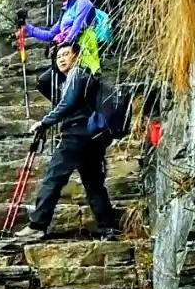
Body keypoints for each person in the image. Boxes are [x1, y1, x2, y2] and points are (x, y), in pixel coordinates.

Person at [16, 40, 119, 242]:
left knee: (53, 178)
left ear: (77, 56)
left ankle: (37, 225)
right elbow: (44, 80)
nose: (62, 58)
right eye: (58, 56)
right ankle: (109, 228)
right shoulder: (79, 78)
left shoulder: (77, 76)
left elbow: (68, 104)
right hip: (92, 137)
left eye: (66, 54)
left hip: (75, 135)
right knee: (93, 183)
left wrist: (44, 123)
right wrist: (55, 55)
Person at [18, 0, 102, 75]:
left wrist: (65, 43)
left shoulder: (83, 2)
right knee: (45, 82)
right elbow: (50, 34)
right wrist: (28, 29)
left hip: (83, 48)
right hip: (68, 52)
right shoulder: (65, 12)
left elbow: (78, 26)